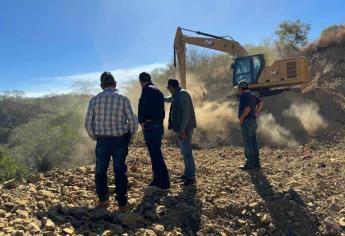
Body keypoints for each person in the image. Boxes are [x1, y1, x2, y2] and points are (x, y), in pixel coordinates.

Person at [85, 72, 138, 208]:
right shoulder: (123, 98)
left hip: (102, 141)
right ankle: (122, 202)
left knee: (101, 170)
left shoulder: (94, 100)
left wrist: (95, 136)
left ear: (102, 86)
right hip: (120, 140)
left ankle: (103, 200)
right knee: (120, 170)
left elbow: (88, 123)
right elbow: (132, 121)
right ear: (115, 84)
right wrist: (130, 136)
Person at [138, 72, 170, 190]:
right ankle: (158, 180)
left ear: (141, 81)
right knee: (156, 154)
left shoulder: (147, 91)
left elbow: (143, 109)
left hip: (151, 127)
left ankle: (163, 183)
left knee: (155, 155)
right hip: (158, 126)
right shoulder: (158, 91)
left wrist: (143, 121)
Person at [165, 79, 197, 186]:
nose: (167, 89)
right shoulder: (177, 94)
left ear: (172, 87)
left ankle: (191, 177)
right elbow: (170, 99)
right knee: (184, 151)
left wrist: (183, 129)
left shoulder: (182, 94)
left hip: (185, 128)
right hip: (181, 128)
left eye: (168, 87)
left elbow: (186, 114)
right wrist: (160, 97)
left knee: (187, 152)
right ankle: (187, 173)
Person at [237, 80, 264, 170]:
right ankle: (257, 163)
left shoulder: (243, 96)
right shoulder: (252, 95)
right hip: (253, 121)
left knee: (248, 143)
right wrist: (256, 113)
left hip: (247, 122)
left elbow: (247, 108)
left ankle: (250, 164)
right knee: (253, 142)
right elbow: (260, 103)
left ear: (240, 88)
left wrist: (241, 118)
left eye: (238, 88)